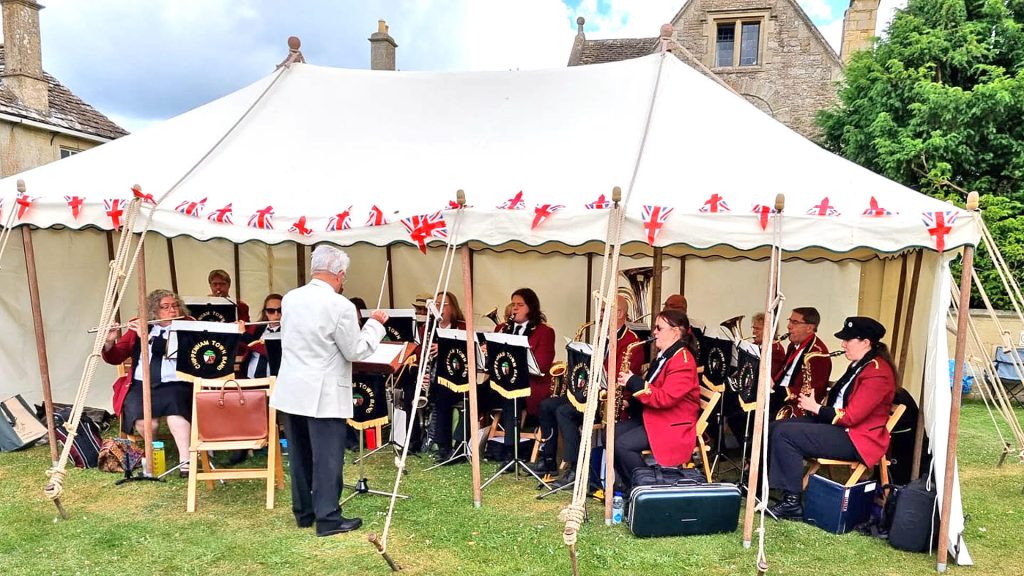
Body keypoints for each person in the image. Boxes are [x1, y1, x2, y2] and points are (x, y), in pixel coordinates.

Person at [269, 246, 389, 537]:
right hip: (323, 391)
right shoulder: (340, 306)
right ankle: (328, 518)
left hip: (292, 387)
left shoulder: (291, 299)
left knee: (299, 454)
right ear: (340, 274)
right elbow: (355, 349)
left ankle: (304, 512)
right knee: (327, 457)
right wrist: (374, 325)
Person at [767, 316, 896, 519]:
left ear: (865, 342)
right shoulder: (860, 364)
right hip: (841, 429)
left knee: (785, 434)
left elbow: (851, 417)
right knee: (776, 426)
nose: (843, 344)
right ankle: (769, 485)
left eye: (848, 340)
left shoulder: (877, 372)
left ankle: (792, 502)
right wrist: (814, 406)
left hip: (857, 438)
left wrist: (817, 408)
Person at [532, 295, 644, 489]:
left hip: (610, 401)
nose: (599, 315)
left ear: (619, 313)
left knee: (564, 411)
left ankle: (575, 468)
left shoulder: (630, 342)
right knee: (547, 404)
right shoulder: (601, 335)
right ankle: (548, 460)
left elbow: (619, 379)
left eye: (603, 311)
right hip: (589, 393)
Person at [102, 289, 193, 477]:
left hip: (175, 383)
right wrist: (109, 342)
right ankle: (156, 450)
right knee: (145, 423)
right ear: (153, 310)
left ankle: (186, 461)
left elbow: (179, 351)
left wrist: (148, 338)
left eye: (175, 306)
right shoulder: (141, 325)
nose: (172, 310)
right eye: (165, 307)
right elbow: (117, 356)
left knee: (176, 417)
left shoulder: (188, 325)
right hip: (141, 384)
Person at [614, 309, 701, 492]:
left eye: (659, 328)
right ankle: (630, 484)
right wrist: (631, 402)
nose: (654, 332)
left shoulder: (682, 361)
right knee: (611, 433)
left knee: (623, 445)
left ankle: (647, 487)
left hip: (673, 423)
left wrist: (633, 382)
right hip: (658, 416)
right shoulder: (667, 355)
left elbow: (665, 398)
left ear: (675, 332)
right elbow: (654, 388)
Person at [493, 288, 555, 471]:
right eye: (513, 304)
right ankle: (455, 445)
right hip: (502, 383)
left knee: (511, 397)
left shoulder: (544, 332)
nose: (515, 309)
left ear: (531, 308)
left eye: (520, 305)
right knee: (469, 391)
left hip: (530, 386)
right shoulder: (502, 329)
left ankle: (511, 452)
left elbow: (542, 365)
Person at [426, 291, 467, 464]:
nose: (439, 308)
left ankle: (444, 446)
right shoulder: (427, 328)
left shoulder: (463, 328)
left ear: (453, 308)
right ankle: (413, 441)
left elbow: (466, 356)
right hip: (433, 378)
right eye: (436, 304)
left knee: (443, 393)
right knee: (410, 391)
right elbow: (420, 356)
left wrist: (444, 350)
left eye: (444, 304)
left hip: (457, 381)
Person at [771, 307, 832, 418]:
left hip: (796, 405)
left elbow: (814, 390)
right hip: (779, 394)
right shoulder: (792, 346)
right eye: (789, 321)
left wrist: (782, 392)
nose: (789, 326)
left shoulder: (818, 354)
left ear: (809, 328)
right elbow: (784, 372)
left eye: (795, 322)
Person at [240, 294, 283, 379]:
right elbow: (242, 346)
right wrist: (236, 331)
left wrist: (245, 335)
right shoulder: (256, 328)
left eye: (280, 310)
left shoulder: (288, 331)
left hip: (276, 380)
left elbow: (269, 351)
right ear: (266, 312)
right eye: (271, 311)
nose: (276, 314)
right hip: (250, 378)